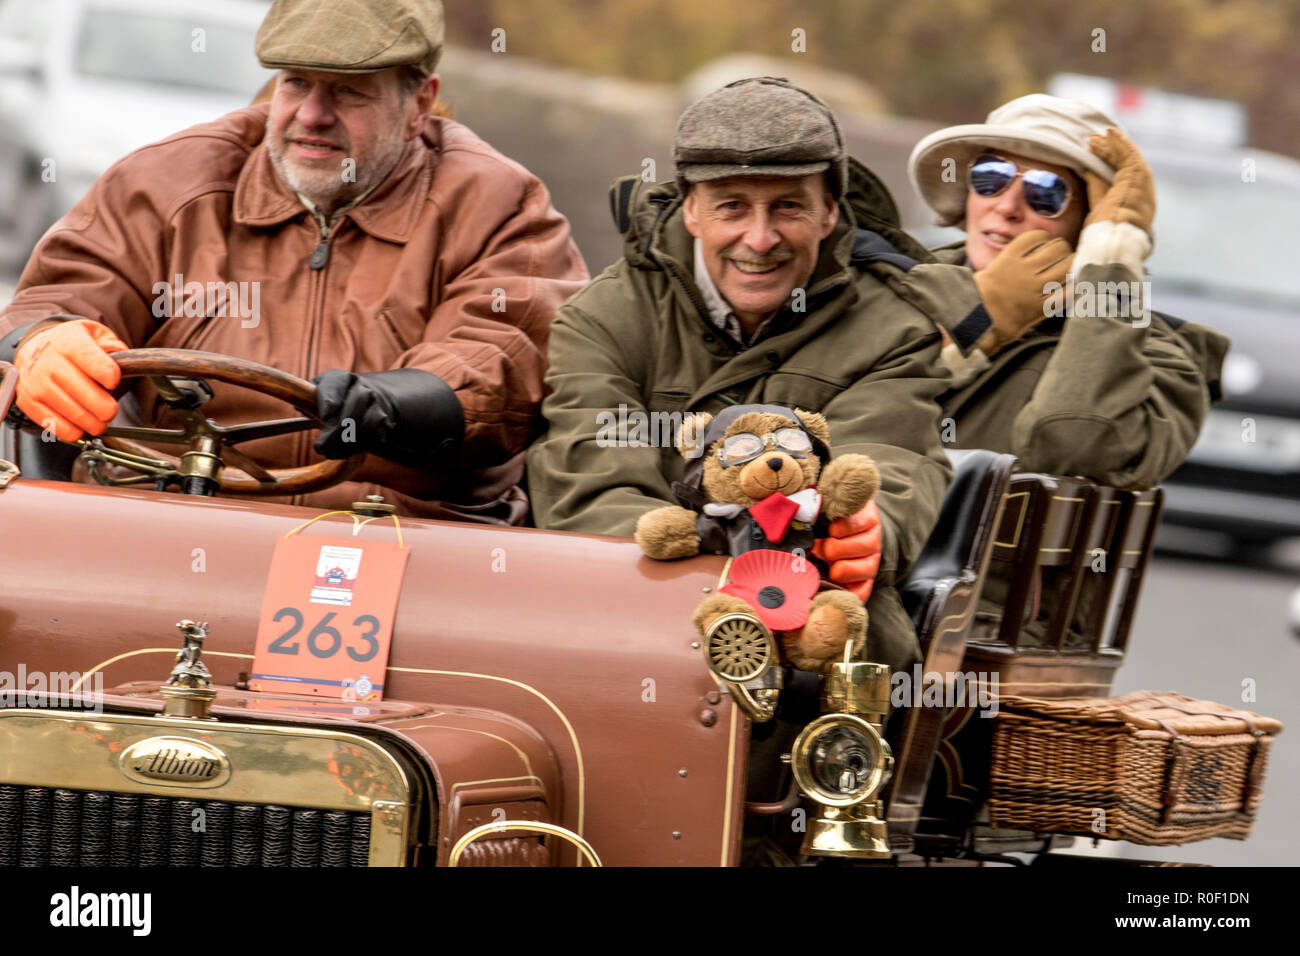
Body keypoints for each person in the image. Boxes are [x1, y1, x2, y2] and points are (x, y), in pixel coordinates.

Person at [0, 0, 588, 522]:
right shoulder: (167, 180)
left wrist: (395, 403)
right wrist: (43, 338)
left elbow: (502, 356)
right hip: (171, 514)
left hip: (398, 535)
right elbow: (61, 293)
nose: (311, 115)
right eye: (296, 83)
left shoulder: (501, 206)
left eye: (349, 91)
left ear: (420, 104)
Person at [526, 77, 964, 674]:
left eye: (789, 206)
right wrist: (717, 565)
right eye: (732, 206)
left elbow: (888, 462)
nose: (759, 239)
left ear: (830, 211)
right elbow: (590, 488)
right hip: (631, 610)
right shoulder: (604, 318)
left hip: (812, 618)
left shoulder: (893, 327)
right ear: (692, 210)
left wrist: (865, 529)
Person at [904, 94, 1228, 487]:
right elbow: (835, 417)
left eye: (1046, 193)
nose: (1007, 206)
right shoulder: (889, 286)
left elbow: (1073, 444)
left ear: (1090, 223)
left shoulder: (1162, 358)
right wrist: (977, 322)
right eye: (990, 176)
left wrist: (1111, 258)